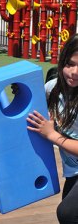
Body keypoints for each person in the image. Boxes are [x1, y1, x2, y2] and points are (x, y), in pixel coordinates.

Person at [26, 33, 78, 224]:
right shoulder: (52, 88)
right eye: (70, 64)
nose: (74, 72)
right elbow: (34, 107)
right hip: (73, 171)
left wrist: (52, 135)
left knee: (68, 213)